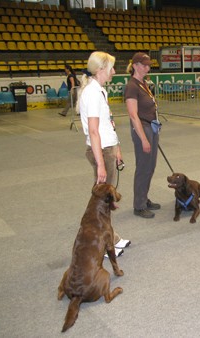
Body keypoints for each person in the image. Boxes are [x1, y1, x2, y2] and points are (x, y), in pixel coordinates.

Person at [77, 51, 130, 256]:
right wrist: (100, 163)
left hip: (108, 149)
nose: (114, 72)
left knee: (105, 203)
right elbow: (93, 130)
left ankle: (112, 238)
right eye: (111, 68)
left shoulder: (99, 91)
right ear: (101, 70)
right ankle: (105, 244)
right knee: (102, 204)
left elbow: (107, 125)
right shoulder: (91, 93)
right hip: (101, 152)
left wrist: (117, 149)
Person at [124, 52, 161, 218]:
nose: (148, 67)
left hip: (151, 127)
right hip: (142, 129)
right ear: (135, 66)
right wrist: (144, 139)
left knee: (150, 166)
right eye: (144, 65)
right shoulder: (131, 86)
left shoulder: (143, 83)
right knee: (143, 167)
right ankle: (138, 205)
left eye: (148, 65)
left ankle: (144, 198)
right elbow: (133, 115)